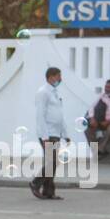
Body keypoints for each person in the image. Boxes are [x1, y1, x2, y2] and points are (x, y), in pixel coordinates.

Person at [32, 66, 66, 200]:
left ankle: (49, 191)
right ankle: (35, 183)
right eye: (58, 76)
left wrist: (65, 134)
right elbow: (40, 115)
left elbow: (59, 115)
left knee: (52, 162)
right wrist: (44, 136)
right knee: (52, 162)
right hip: (48, 133)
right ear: (51, 77)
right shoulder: (43, 92)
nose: (60, 79)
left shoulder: (55, 93)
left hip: (56, 133)